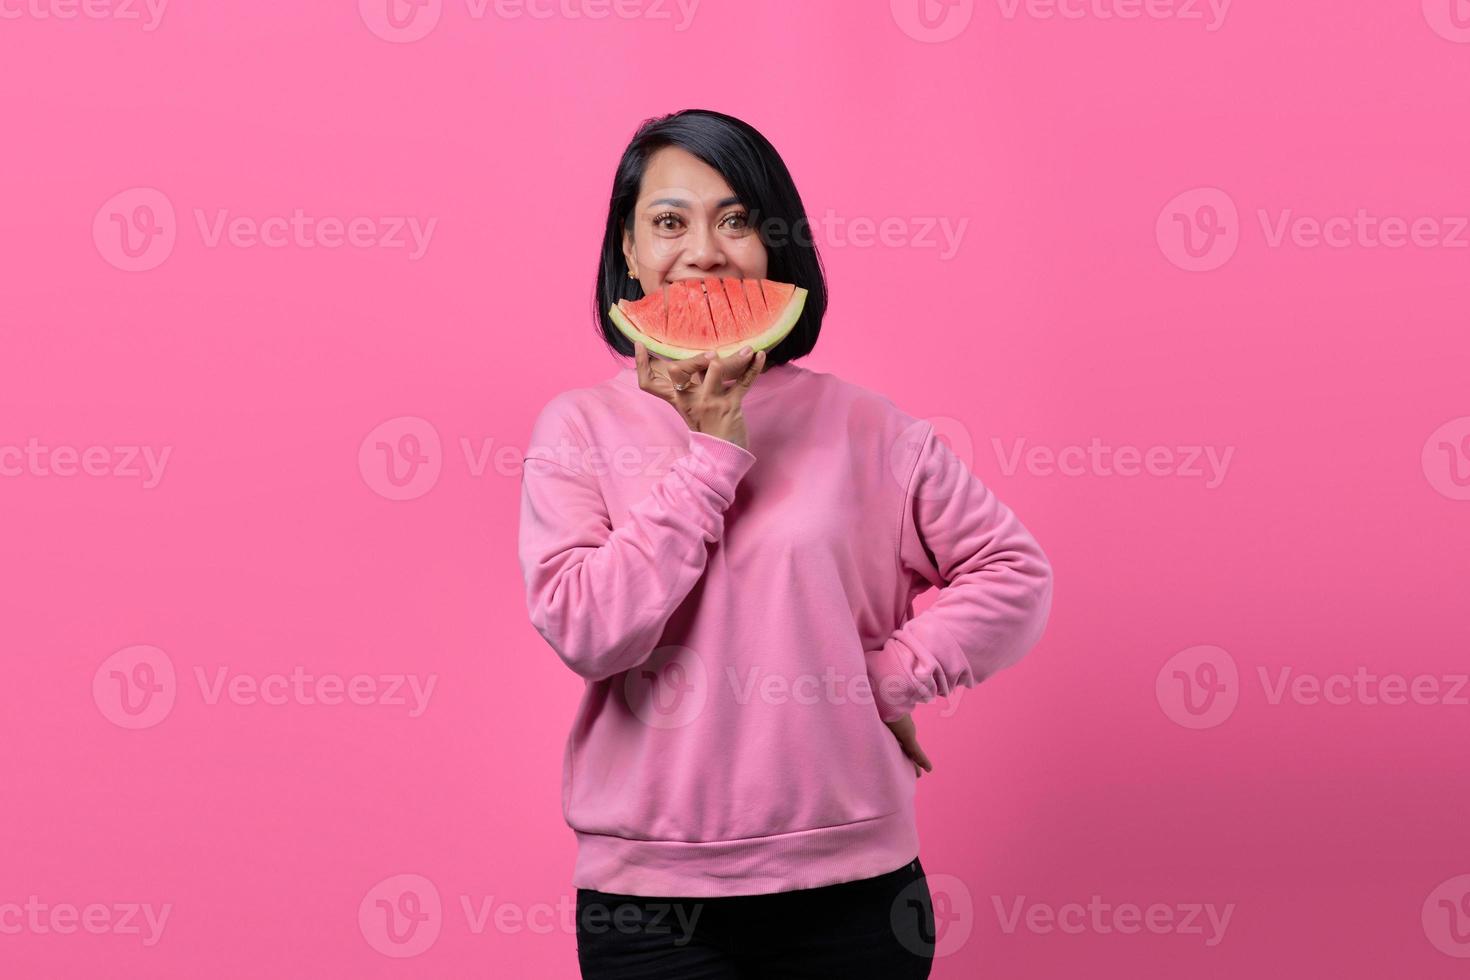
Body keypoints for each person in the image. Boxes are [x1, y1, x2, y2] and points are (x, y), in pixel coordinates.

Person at [517, 108, 1054, 979]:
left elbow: (1015, 575)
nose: (703, 252)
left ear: (776, 248)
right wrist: (714, 454)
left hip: (856, 890)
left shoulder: (865, 427)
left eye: (736, 221)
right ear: (627, 248)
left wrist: (884, 679)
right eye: (669, 221)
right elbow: (588, 633)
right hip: (652, 906)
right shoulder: (579, 427)